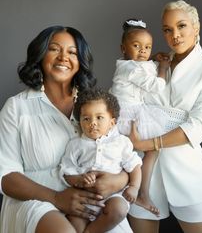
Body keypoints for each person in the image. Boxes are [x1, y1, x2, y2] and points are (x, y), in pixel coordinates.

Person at [0, 25, 132, 233]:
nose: (63, 57)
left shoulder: (95, 105)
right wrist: (56, 198)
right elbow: (6, 177)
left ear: (80, 61)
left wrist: (118, 181)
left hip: (91, 201)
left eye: (72, 52)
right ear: (41, 55)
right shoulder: (17, 107)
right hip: (35, 200)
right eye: (54, 49)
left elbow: (121, 152)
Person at [127, 0, 202, 233]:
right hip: (144, 173)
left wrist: (146, 142)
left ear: (196, 26)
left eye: (182, 26)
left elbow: (199, 126)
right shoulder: (152, 66)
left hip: (187, 170)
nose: (175, 35)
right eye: (167, 29)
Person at [110, 18, 183, 215]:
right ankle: (139, 192)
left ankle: (134, 191)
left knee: (138, 154)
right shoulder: (131, 68)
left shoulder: (130, 64)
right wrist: (162, 68)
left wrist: (154, 59)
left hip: (130, 111)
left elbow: (143, 67)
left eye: (147, 47)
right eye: (136, 46)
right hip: (127, 114)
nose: (143, 51)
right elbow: (156, 86)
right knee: (147, 152)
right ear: (123, 48)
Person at [60, 88, 142, 232]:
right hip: (84, 198)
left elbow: (134, 166)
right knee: (74, 221)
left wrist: (134, 187)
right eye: (86, 118)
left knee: (119, 209)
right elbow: (67, 170)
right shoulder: (76, 144)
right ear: (79, 122)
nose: (93, 123)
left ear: (112, 122)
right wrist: (80, 179)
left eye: (99, 117)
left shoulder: (121, 142)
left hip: (112, 196)